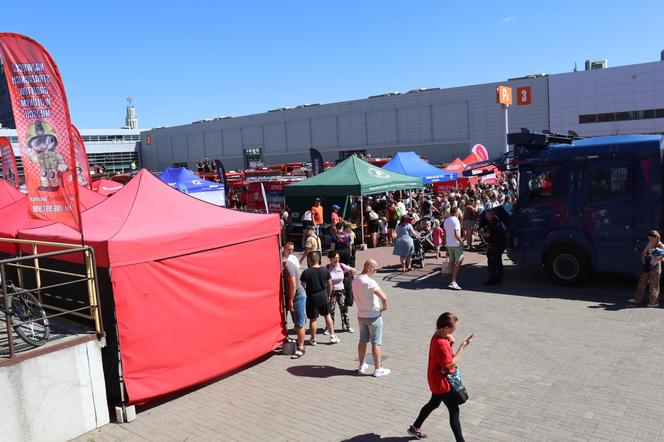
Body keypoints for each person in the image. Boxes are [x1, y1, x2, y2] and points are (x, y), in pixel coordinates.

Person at [408, 312, 472, 441]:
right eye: (454, 327)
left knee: (433, 403)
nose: (455, 330)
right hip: (442, 382)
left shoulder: (438, 335)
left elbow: (442, 356)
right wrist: (462, 347)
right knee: (454, 411)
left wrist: (449, 340)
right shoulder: (441, 343)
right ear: (446, 328)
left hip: (436, 377)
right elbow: (450, 364)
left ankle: (415, 428)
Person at [352, 259, 390, 377]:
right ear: (368, 268)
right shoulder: (370, 282)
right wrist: (384, 308)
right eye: (374, 269)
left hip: (361, 315)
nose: (375, 271)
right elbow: (384, 298)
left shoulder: (355, 281)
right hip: (373, 316)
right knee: (376, 343)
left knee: (362, 341)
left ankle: (361, 365)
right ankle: (378, 369)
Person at [300, 252, 340, 345]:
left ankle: (313, 339)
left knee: (313, 319)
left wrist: (306, 290)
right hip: (323, 296)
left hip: (311, 298)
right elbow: (330, 284)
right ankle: (332, 336)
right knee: (327, 315)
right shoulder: (325, 270)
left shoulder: (306, 272)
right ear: (318, 260)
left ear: (309, 260)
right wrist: (329, 295)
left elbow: (302, 284)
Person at [282, 242, 307, 358]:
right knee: (296, 323)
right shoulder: (286, 264)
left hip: (298, 296)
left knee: (299, 324)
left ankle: (301, 348)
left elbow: (293, 285)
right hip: (293, 295)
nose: (291, 251)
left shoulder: (288, 266)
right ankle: (297, 343)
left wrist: (290, 300)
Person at [630, 230, 664, 307]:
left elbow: (663, 259)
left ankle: (654, 302)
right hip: (648, 265)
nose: (650, 240)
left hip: (656, 267)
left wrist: (656, 258)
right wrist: (644, 263)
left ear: (656, 237)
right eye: (649, 238)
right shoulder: (650, 243)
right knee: (642, 282)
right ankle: (637, 299)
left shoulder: (661, 246)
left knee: (654, 285)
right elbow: (643, 253)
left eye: (651, 238)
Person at [326, 250, 356, 333]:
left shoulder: (342, 266)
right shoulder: (327, 268)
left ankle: (347, 326)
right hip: (331, 291)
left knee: (344, 309)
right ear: (330, 259)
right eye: (335, 258)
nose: (337, 260)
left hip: (341, 290)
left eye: (338, 258)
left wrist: (349, 274)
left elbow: (353, 270)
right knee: (331, 310)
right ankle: (329, 328)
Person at [480, 208, 507, 285]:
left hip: (496, 244)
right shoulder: (497, 220)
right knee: (498, 261)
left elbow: (488, 234)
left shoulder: (492, 222)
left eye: (487, 214)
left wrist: (481, 233)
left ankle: (493, 280)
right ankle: (499, 279)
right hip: (499, 244)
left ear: (491, 214)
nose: (486, 216)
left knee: (493, 262)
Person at [444, 208, 464, 290]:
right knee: (458, 261)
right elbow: (456, 234)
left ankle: (452, 279)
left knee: (452, 261)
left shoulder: (446, 220)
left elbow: (445, 233)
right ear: (456, 212)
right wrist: (461, 241)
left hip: (449, 243)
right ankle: (453, 280)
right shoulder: (456, 220)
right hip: (456, 243)